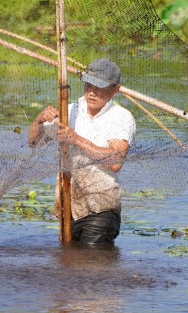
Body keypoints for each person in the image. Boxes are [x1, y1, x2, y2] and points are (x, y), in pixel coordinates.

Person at [29, 59, 136, 246]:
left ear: (114, 90)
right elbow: (33, 142)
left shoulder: (120, 117)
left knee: (92, 266)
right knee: (68, 264)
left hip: (101, 207)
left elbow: (116, 161)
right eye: (88, 85)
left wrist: (75, 139)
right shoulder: (69, 111)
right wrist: (38, 121)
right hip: (69, 205)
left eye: (100, 87)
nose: (92, 92)